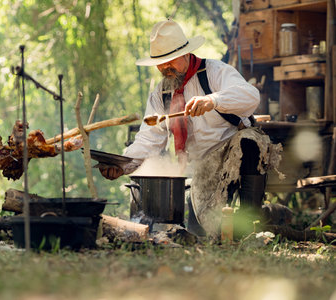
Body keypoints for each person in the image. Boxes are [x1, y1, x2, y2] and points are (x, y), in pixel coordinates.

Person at [99, 19, 283, 239]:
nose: (165, 68)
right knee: (202, 235)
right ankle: (268, 216)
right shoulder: (161, 95)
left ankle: (252, 222)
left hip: (234, 155)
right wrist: (122, 165)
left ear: (186, 54)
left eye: (171, 61)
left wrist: (214, 100)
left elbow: (250, 97)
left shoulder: (215, 71)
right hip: (202, 169)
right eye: (160, 62)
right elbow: (149, 139)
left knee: (250, 141)